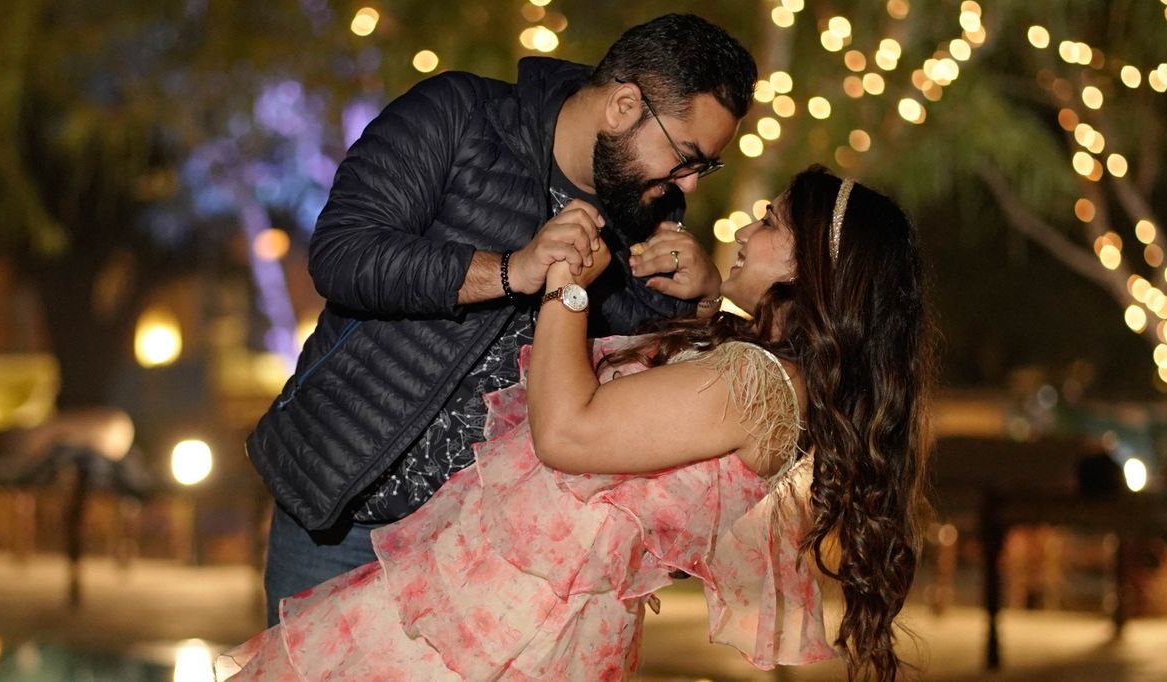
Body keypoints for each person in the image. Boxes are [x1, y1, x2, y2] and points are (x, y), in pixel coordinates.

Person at [226, 167, 935, 681]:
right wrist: (717, 289)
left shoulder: (754, 386)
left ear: (815, 265)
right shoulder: (767, 375)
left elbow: (567, 434)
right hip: (502, 611)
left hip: (507, 631)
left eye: (772, 221)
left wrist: (566, 283)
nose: (747, 229)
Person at [247, 14, 758, 621]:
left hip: (481, 554)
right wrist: (512, 269)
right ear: (623, 106)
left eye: (705, 168)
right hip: (341, 514)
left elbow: (629, 395)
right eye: (685, 157)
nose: (690, 186)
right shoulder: (460, 114)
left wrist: (695, 303)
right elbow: (341, 253)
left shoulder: (652, 209)